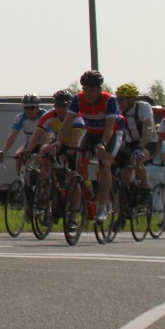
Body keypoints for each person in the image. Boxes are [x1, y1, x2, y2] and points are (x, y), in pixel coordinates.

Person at [57, 70, 120, 225]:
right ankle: (87, 195)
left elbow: (109, 128)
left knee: (105, 163)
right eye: (85, 89)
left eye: (91, 90)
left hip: (111, 134)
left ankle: (102, 207)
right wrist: (58, 142)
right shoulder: (78, 99)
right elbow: (67, 123)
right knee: (79, 164)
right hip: (91, 133)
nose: (87, 94)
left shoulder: (109, 100)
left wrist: (103, 143)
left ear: (99, 89)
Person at [113, 83, 157, 194]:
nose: (119, 102)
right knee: (124, 172)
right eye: (118, 99)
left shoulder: (143, 107)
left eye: (122, 99)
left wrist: (140, 147)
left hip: (148, 142)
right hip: (131, 142)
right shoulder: (118, 110)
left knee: (137, 161)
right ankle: (133, 190)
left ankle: (146, 190)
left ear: (132, 99)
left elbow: (148, 128)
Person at [0, 94, 46, 177]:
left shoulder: (44, 116)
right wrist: (4, 151)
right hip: (30, 144)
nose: (29, 111)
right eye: (26, 108)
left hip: (44, 143)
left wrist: (42, 154)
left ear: (37, 107)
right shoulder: (21, 117)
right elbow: (13, 135)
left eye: (32, 108)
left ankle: (46, 182)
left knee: (45, 162)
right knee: (18, 156)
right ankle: (21, 180)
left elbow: (48, 137)